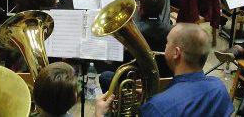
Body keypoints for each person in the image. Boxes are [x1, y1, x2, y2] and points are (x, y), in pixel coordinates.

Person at [96, 23, 234, 117]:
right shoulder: (219, 88)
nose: (165, 46)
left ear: (176, 53)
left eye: (167, 42)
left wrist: (99, 115)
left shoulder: (157, 107)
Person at [99, 0, 173, 93]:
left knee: (105, 76)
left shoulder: (131, 33)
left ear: (140, 7)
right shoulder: (173, 31)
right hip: (164, 84)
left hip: (133, 84)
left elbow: (117, 64)